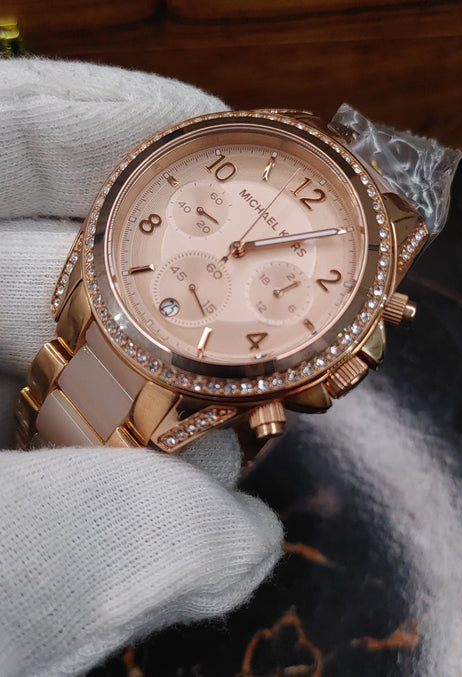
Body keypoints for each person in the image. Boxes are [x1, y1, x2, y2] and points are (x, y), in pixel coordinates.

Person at [0, 57, 283, 677]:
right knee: (55, 355)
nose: (238, 248)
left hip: (177, 355)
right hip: (114, 304)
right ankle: (31, 433)